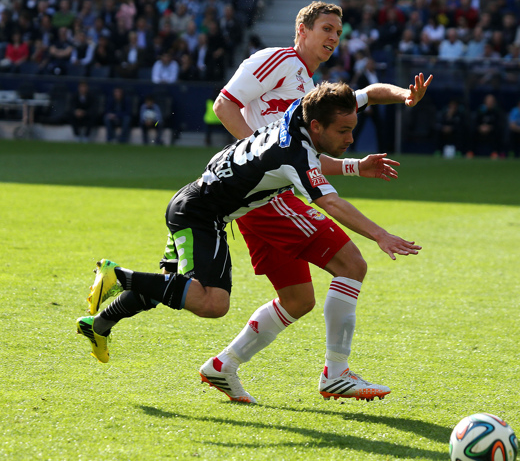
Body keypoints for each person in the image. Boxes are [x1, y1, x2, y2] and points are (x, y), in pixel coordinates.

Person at [76, 82, 421, 405]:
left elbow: (363, 98)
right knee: (212, 303)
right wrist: (380, 234)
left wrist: (398, 100)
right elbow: (330, 202)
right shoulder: (295, 153)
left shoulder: (300, 111)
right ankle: (116, 276)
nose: (350, 137)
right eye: (343, 131)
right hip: (200, 215)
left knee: (173, 288)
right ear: (317, 127)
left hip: (199, 207)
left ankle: (100, 324)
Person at [206, 1, 431, 403]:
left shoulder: (310, 94)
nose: (332, 38)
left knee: (298, 300)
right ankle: (337, 374)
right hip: (263, 196)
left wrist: (401, 101)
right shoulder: (278, 60)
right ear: (302, 29)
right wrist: (252, 162)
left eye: (338, 33)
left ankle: (223, 366)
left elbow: (361, 102)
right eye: (326, 28)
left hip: (260, 197)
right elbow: (224, 104)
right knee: (352, 264)